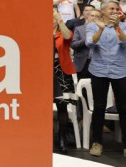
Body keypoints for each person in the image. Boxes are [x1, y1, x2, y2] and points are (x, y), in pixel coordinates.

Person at [85, 0, 126, 163]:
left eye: (117, 9)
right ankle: (97, 143)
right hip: (99, 70)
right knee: (99, 107)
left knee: (124, 109)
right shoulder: (93, 25)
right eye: (112, 8)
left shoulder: (124, 26)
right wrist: (101, 29)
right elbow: (90, 42)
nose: (115, 11)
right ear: (103, 11)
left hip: (120, 71)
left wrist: (116, 27)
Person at [53, 8, 76, 154]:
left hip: (60, 70)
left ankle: (61, 139)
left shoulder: (63, 33)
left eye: (54, 17)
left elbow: (68, 37)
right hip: (43, 71)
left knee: (62, 107)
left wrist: (60, 19)